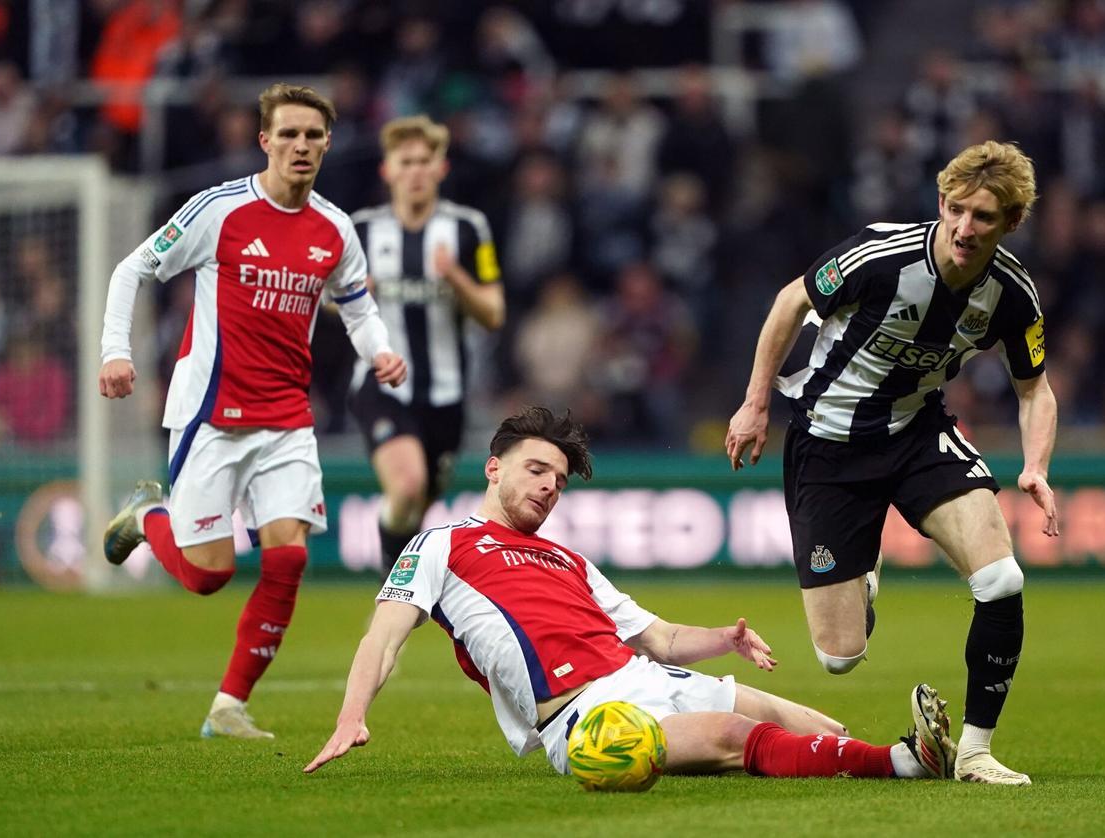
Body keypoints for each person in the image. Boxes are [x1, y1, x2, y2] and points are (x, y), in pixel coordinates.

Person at [305, 407, 956, 782]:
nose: (549, 487)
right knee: (734, 734)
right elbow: (383, 636)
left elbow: (658, 638)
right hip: (588, 717)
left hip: (648, 675)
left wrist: (722, 640)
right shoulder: (441, 544)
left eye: (559, 480)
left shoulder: (569, 560)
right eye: (537, 470)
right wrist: (351, 714)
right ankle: (907, 762)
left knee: (818, 727)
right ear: (494, 468)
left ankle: (895, 756)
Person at [725, 140, 1057, 785]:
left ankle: (975, 752)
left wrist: (1036, 466)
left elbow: (1035, 389)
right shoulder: (882, 255)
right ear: (940, 202)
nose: (964, 228)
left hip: (916, 431)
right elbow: (791, 301)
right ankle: (865, 575)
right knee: (839, 657)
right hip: (827, 442)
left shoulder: (1012, 293)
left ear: (1012, 222)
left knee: (1002, 580)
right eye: (956, 209)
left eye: (984, 217)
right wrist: (755, 402)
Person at [99, 83, 407, 740]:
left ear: (327, 143)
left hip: (288, 419)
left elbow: (357, 306)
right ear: (265, 141)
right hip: (212, 414)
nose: (301, 145)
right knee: (207, 576)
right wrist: (115, 352)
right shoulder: (220, 210)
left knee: (288, 558)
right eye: (288, 134)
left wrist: (380, 351)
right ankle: (147, 516)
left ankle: (228, 706)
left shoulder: (334, 228)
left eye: (313, 135)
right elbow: (131, 270)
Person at [348, 115, 505, 576]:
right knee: (407, 485)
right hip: (382, 383)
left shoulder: (469, 228)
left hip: (447, 394)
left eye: (424, 161)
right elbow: (326, 303)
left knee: (417, 507)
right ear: (388, 170)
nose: (415, 171)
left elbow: (494, 313)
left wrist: (454, 276)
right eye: (406, 162)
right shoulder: (360, 230)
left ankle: (400, 592)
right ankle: (389, 584)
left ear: (441, 168)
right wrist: (353, 295)